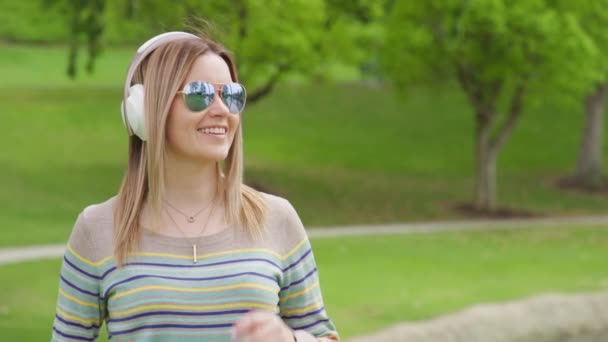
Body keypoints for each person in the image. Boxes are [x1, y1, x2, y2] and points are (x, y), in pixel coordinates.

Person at [51, 31, 339, 342]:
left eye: (230, 95)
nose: (221, 109)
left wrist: (291, 340)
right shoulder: (96, 229)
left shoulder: (276, 218)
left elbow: (325, 336)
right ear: (146, 111)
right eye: (199, 94)